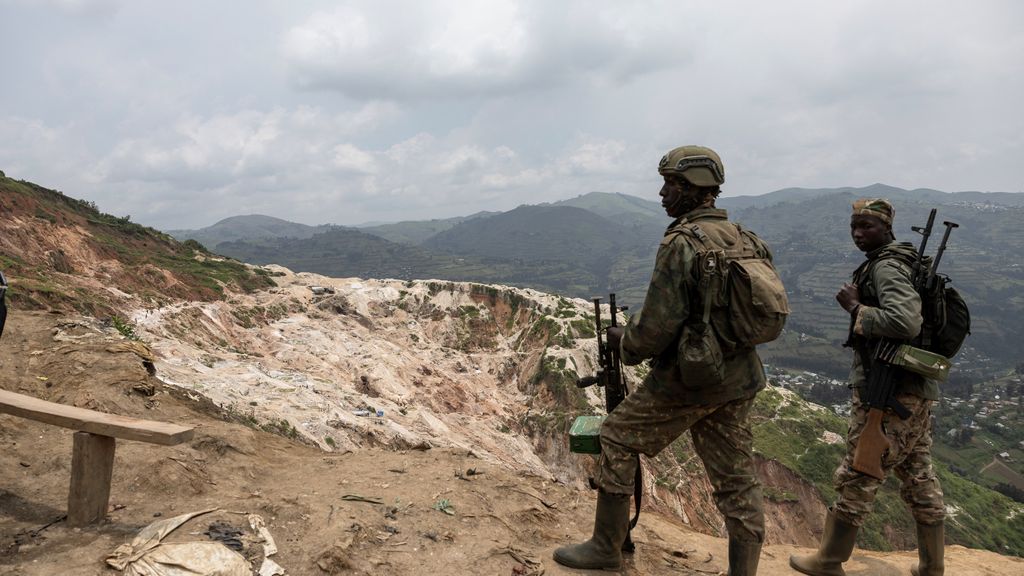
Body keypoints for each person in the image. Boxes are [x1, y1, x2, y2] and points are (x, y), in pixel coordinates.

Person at [553, 145, 771, 575]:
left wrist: (623, 341)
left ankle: (605, 548)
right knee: (737, 480)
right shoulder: (746, 239)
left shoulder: (681, 243)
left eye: (670, 184)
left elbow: (654, 329)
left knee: (616, 436)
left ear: (693, 189)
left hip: (690, 378)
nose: (662, 193)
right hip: (740, 376)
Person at [789, 198, 945, 576]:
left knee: (861, 469)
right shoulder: (906, 261)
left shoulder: (887, 266)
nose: (859, 233)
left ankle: (828, 560)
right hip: (914, 389)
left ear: (887, 227)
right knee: (918, 472)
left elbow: (905, 322)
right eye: (854, 226)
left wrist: (856, 309)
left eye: (867, 226)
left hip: (888, 391)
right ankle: (931, 566)